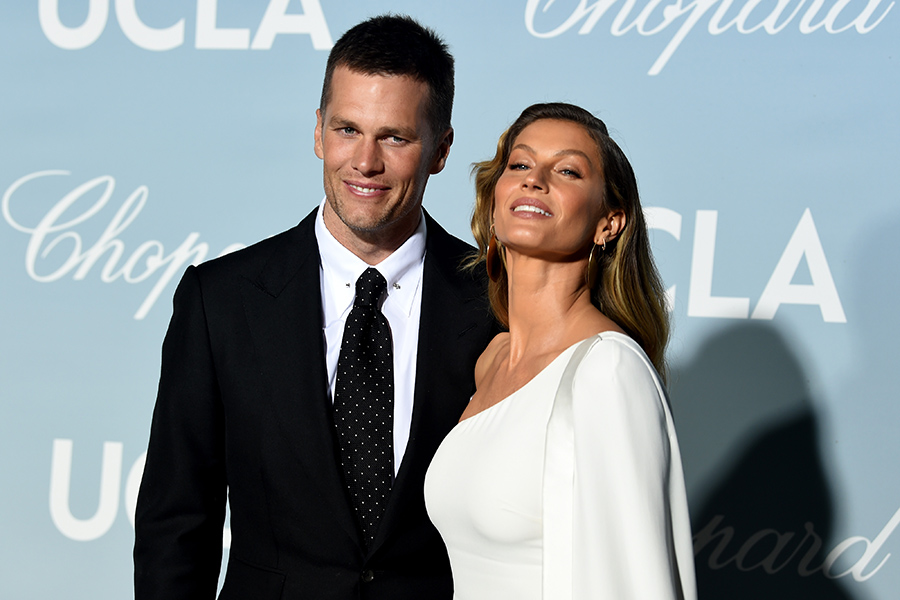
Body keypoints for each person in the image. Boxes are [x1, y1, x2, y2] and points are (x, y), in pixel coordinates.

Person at [133, 15, 496, 600]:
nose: (365, 162)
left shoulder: (495, 301)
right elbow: (176, 524)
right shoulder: (220, 300)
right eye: (347, 129)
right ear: (318, 131)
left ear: (441, 150)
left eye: (395, 137)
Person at [424, 103, 697, 599]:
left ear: (608, 222)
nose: (535, 180)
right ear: (494, 198)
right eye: (520, 165)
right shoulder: (490, 359)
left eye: (567, 170)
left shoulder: (609, 371)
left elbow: (635, 584)